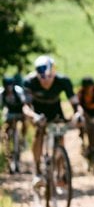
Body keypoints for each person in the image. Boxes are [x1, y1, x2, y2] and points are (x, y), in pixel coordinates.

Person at [21, 56, 82, 187]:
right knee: (39, 133)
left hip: (55, 110)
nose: (46, 82)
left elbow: (74, 102)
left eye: (49, 78)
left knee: (60, 138)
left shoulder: (63, 81)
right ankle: (37, 171)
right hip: (37, 111)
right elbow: (26, 106)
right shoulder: (29, 82)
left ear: (53, 74)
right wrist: (33, 116)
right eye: (42, 79)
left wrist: (78, 113)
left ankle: (60, 171)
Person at [2, 75, 29, 171]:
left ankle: (24, 137)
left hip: (19, 112)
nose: (8, 88)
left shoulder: (18, 91)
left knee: (25, 123)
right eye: (7, 86)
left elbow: (25, 104)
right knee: (5, 130)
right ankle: (6, 144)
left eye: (10, 86)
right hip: (10, 113)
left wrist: (24, 115)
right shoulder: (2, 93)